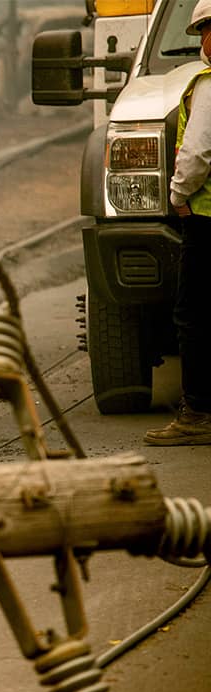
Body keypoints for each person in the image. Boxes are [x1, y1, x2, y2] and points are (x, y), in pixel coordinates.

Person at [150, 0, 211, 446]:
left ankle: (198, 414)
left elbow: (196, 154)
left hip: (206, 220)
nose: (206, 40)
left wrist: (176, 194)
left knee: (194, 316)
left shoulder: (207, 87)